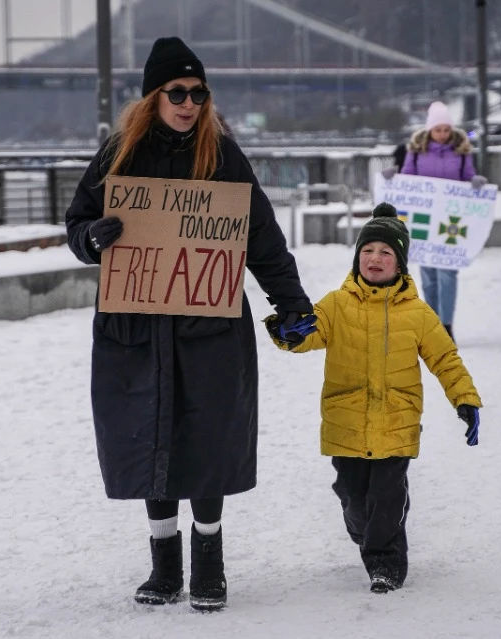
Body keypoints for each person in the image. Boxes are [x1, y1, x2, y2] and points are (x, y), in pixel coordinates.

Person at [64, 36, 316, 611]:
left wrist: (292, 303)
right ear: (153, 96)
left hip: (209, 327)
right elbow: (78, 222)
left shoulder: (223, 156)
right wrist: (90, 238)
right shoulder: (117, 154)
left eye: (198, 92)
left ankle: (209, 562)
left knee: (205, 440)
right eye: (177, 92)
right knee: (150, 435)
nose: (188, 102)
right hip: (137, 327)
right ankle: (163, 564)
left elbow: (262, 239)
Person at [263, 202, 482, 594]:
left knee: (386, 498)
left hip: (396, 423)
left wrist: (464, 398)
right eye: (367, 251)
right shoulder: (336, 304)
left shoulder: (418, 313)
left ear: (400, 264)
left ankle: (386, 563)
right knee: (354, 499)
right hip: (345, 423)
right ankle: (367, 530)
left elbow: (445, 359)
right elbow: (309, 334)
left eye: (385, 252)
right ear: (356, 259)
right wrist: (288, 332)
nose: (375, 258)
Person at [382, 101, 487, 340]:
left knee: (447, 273)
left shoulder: (461, 151)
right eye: (438, 129)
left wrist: (476, 181)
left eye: (446, 130)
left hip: (450, 220)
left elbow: (467, 176)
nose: (442, 134)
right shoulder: (416, 150)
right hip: (424, 221)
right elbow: (408, 180)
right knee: (429, 274)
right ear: (430, 130)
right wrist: (393, 178)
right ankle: (433, 323)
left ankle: (446, 325)